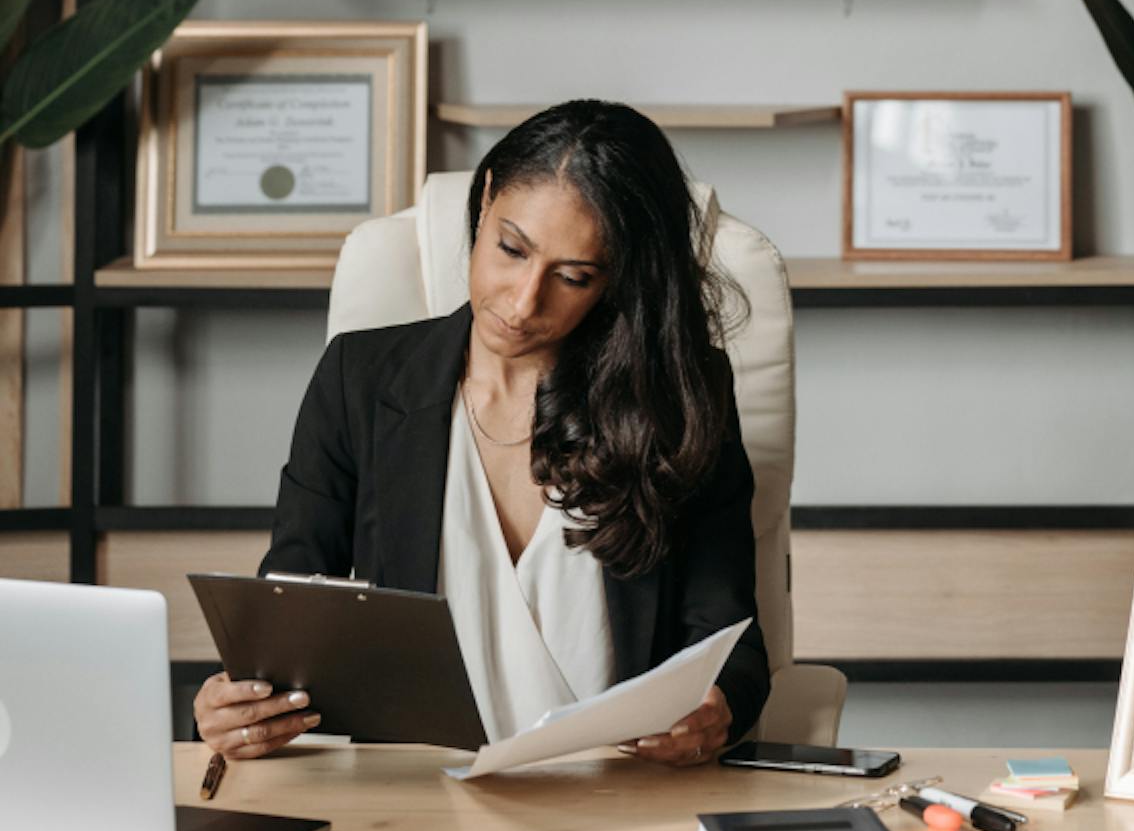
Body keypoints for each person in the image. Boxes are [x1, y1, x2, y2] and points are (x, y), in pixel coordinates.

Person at [194, 99, 770, 766]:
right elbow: (286, 624)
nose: (523, 302)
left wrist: (714, 710)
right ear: (487, 197)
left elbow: (733, 642)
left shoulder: (678, 396)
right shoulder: (359, 380)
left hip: (617, 792)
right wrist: (239, 708)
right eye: (511, 249)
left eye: (573, 277)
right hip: (414, 800)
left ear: (618, 282)